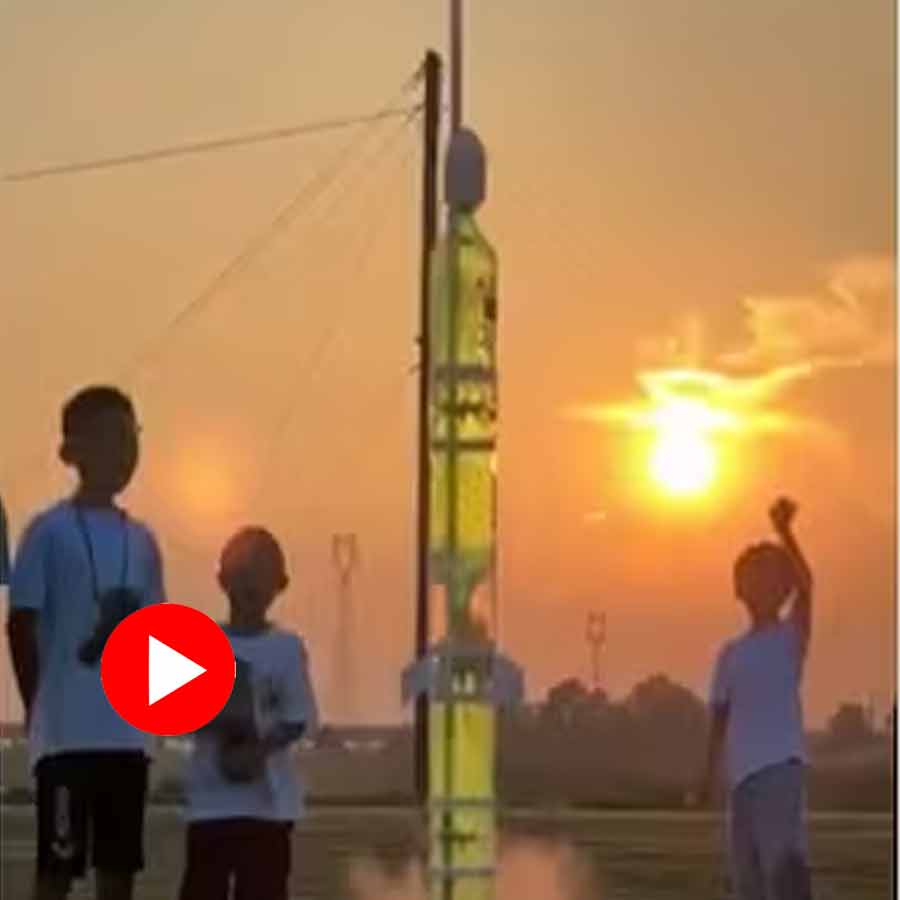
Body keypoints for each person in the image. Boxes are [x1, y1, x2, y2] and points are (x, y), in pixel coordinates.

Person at [6, 386, 165, 900]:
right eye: (110, 439)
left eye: (130, 439)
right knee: (58, 866)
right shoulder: (47, 532)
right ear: (72, 452)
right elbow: (21, 623)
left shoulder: (141, 541)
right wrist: (38, 708)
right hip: (67, 738)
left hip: (126, 738)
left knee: (118, 872)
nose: (123, 454)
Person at [179, 526, 318, 900]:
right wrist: (222, 720)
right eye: (242, 574)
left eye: (262, 575)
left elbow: (297, 717)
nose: (251, 586)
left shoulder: (286, 648)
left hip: (269, 808)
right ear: (223, 580)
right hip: (211, 804)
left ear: (280, 584)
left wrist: (258, 749)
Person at [695, 497, 814, 900]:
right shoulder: (729, 654)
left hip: (780, 770)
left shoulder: (789, 639)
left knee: (784, 877)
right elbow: (718, 720)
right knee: (748, 883)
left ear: (781, 588)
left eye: (766, 577)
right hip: (742, 781)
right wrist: (707, 779)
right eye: (748, 575)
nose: (755, 584)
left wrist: (785, 532)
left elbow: (807, 586)